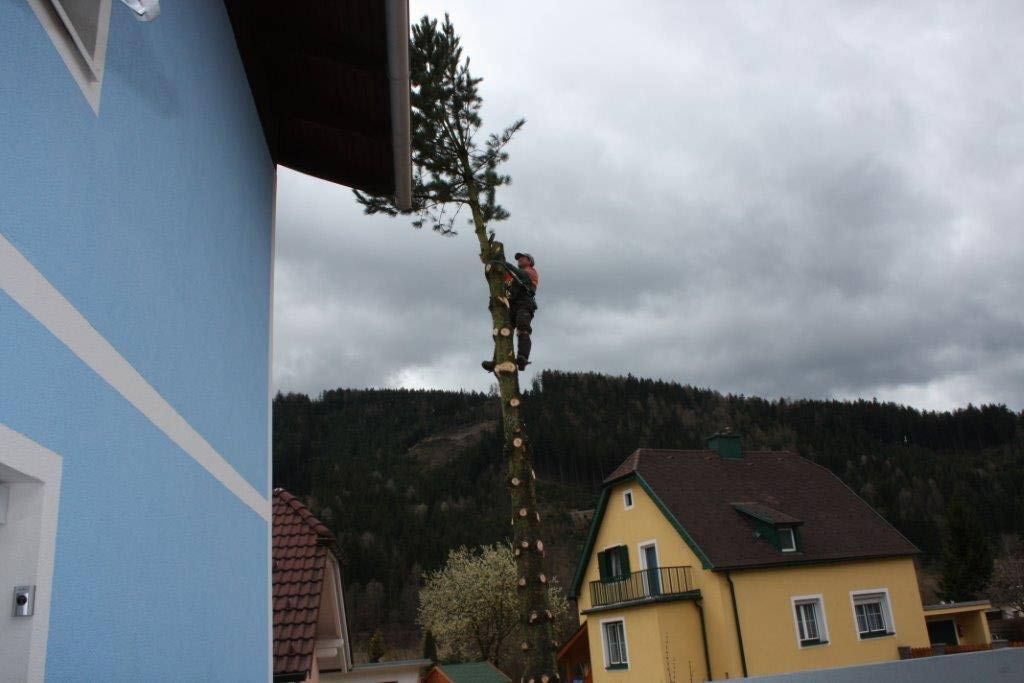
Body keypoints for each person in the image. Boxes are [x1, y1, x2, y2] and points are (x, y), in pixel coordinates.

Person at [483, 252, 538, 372]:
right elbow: (501, 280)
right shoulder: (510, 275)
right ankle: (496, 360)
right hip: (511, 305)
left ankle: (522, 357)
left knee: (522, 325)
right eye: (519, 258)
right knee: (502, 331)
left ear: (530, 261)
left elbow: (521, 275)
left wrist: (504, 264)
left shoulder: (530, 271)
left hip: (524, 303)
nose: (520, 260)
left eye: (523, 258)